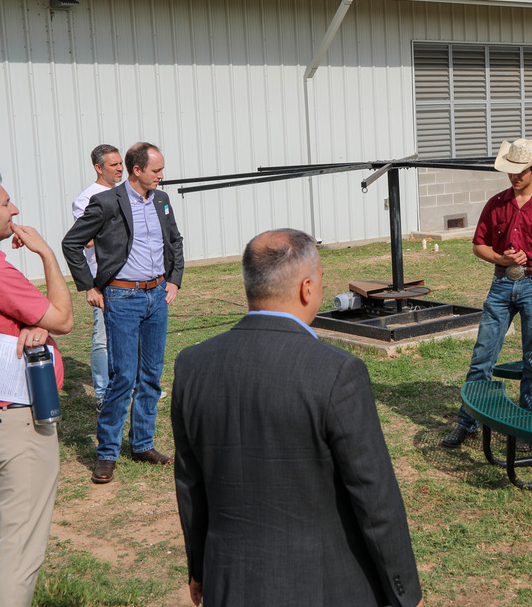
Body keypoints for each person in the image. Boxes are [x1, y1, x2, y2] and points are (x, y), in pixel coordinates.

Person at [171, 229, 424, 607]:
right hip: (323, 586)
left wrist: (199, 569)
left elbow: (190, 484)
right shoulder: (337, 372)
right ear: (308, 288)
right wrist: (407, 593)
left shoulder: (192, 365)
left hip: (229, 581)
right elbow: (374, 496)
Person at [0, 171, 74, 605]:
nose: (15, 210)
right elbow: (62, 319)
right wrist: (46, 252)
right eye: (6, 203)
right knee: (19, 551)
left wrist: (21, 325)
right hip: (17, 421)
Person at [441, 139, 532, 450]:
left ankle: (529, 427)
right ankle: (467, 423)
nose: (514, 176)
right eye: (510, 171)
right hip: (501, 284)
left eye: (521, 171)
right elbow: (478, 246)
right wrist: (501, 259)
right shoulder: (496, 204)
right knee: (482, 355)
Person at [62, 142, 184, 484]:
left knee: (151, 375)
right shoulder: (106, 202)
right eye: (156, 170)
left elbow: (175, 241)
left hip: (157, 296)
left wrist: (174, 280)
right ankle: (107, 453)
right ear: (137, 170)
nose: (161, 175)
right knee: (123, 377)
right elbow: (72, 243)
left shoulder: (161, 200)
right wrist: (89, 287)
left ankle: (142, 444)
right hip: (122, 297)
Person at [71, 143, 124, 412]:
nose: (120, 168)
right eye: (114, 165)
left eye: (120, 163)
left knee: (131, 335)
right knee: (102, 339)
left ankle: (131, 386)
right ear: (98, 168)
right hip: (103, 279)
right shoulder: (86, 199)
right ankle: (103, 394)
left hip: (131, 278)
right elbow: (87, 240)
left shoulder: (127, 193)